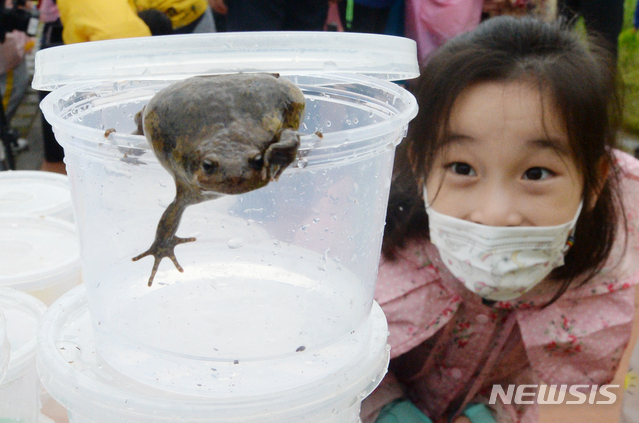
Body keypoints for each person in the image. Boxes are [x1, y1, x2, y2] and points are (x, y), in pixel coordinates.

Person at [363, 16, 639, 423]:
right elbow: (327, 346)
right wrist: (383, 408)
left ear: (594, 183)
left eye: (536, 174)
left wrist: (499, 414)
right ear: (421, 166)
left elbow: (584, 391)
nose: (494, 215)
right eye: (462, 167)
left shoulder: (612, 263)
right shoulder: (373, 237)